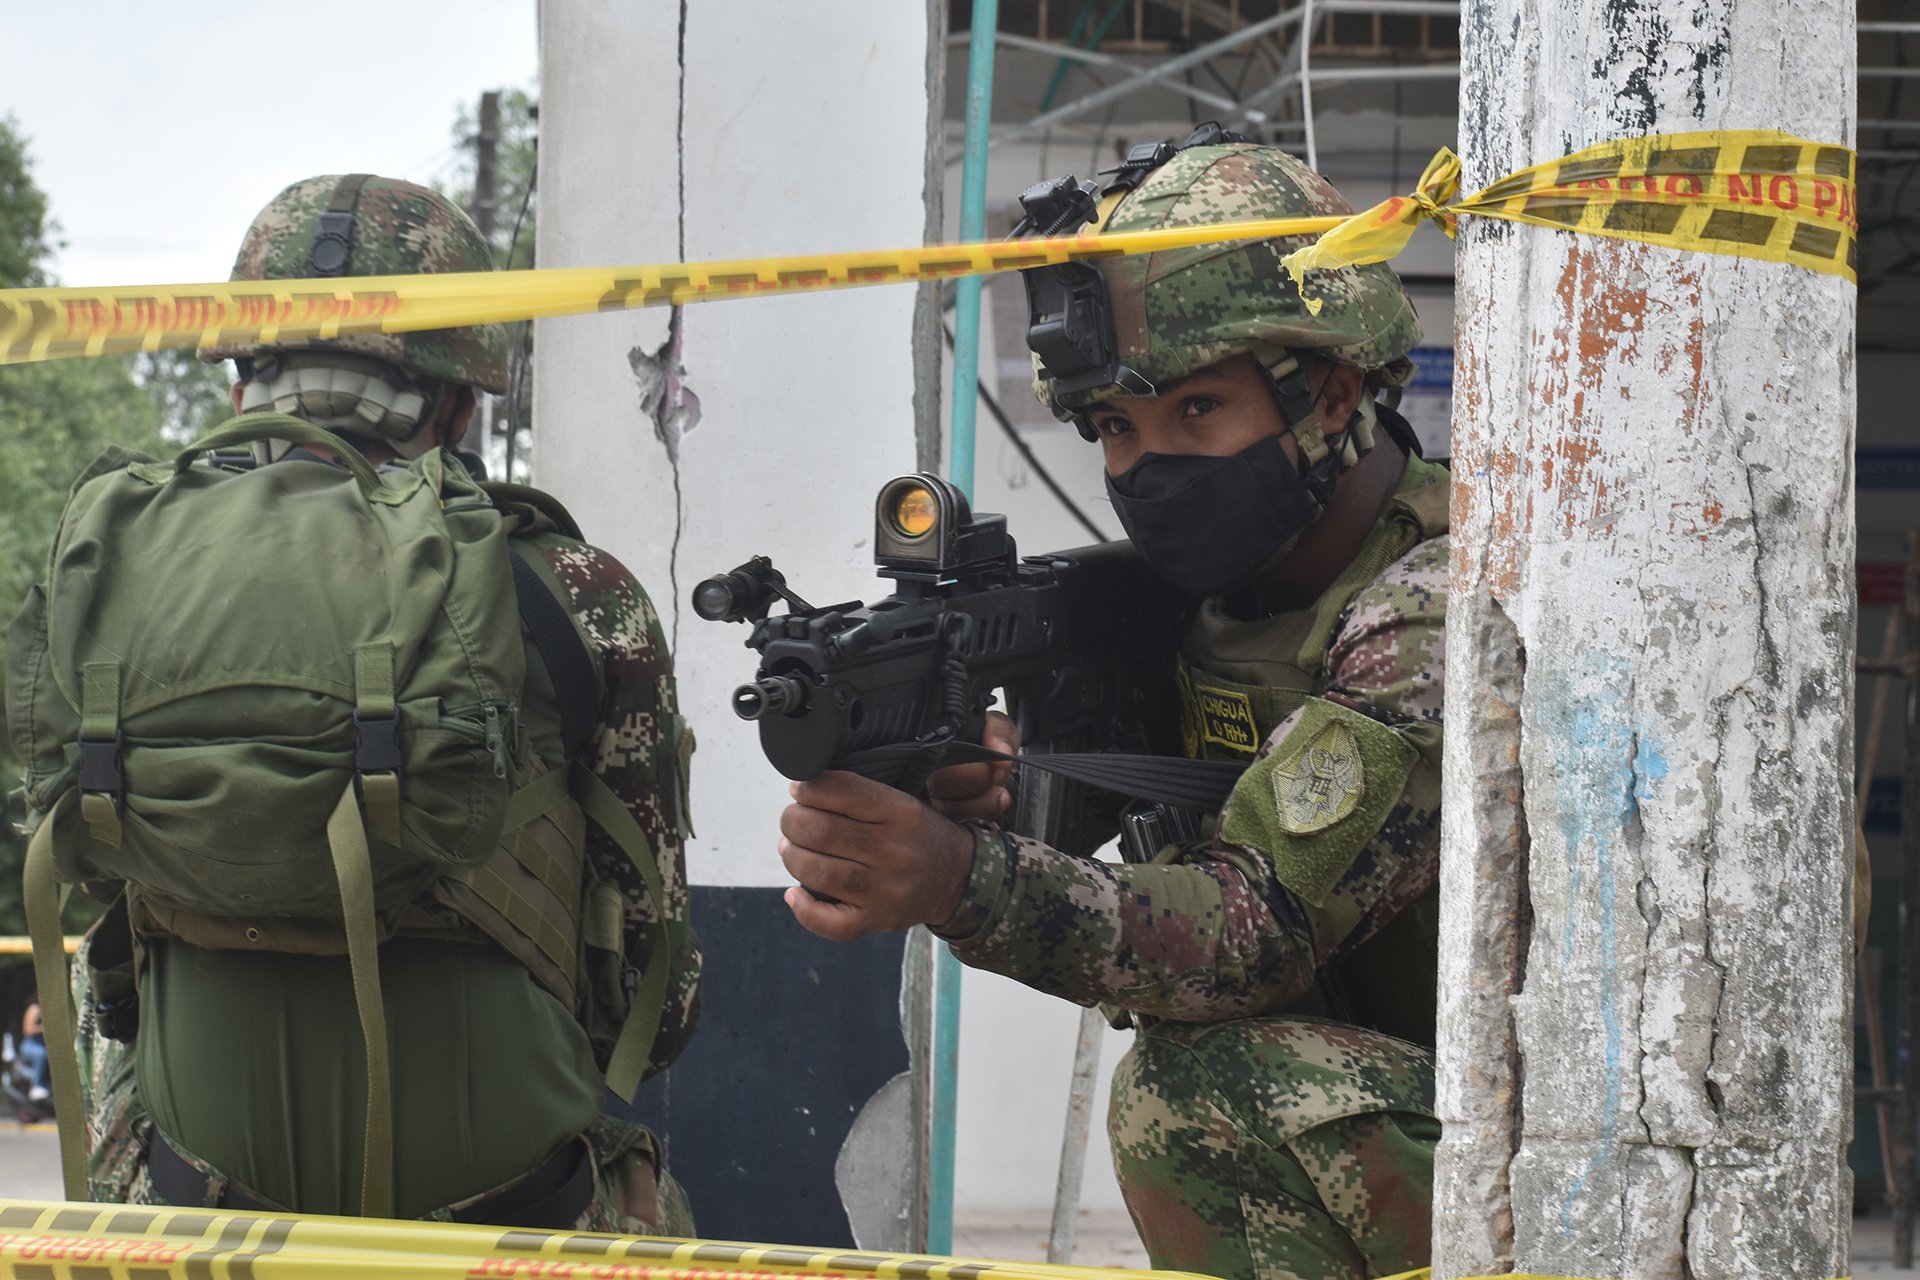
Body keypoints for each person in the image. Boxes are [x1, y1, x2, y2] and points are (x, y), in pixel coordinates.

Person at [777, 133, 1445, 1280]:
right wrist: (1015, 786)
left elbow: (1251, 931)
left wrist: (958, 875)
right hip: (1405, 1090)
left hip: (1565, 1145)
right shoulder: (1213, 598)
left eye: (1196, 411)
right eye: (1118, 430)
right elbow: (1178, 795)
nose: (1148, 466)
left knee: (1193, 1087)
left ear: (1332, 391)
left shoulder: (1434, 606)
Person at [48, 175, 700, 1231]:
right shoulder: (575, 594)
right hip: (507, 1223)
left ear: (239, 381)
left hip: (197, 1216)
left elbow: (111, 973)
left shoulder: (113, 568)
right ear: (459, 401)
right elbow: (657, 1012)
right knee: (650, 1196)